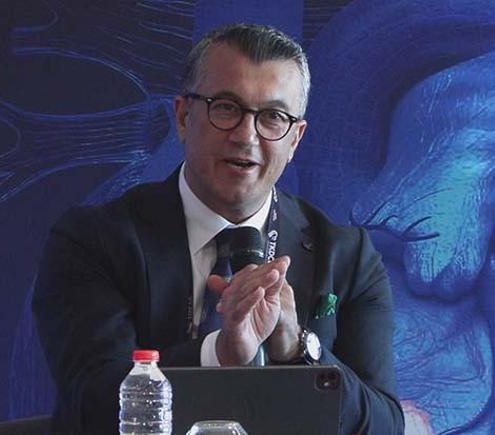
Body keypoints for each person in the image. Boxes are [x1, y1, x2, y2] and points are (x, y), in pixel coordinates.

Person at [32, 23, 404, 434]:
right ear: (183, 117)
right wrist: (219, 355)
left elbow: (384, 426)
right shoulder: (93, 240)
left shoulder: (349, 257)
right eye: (226, 108)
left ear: (295, 140)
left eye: (273, 117)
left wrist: (297, 348)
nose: (246, 136)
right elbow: (92, 405)